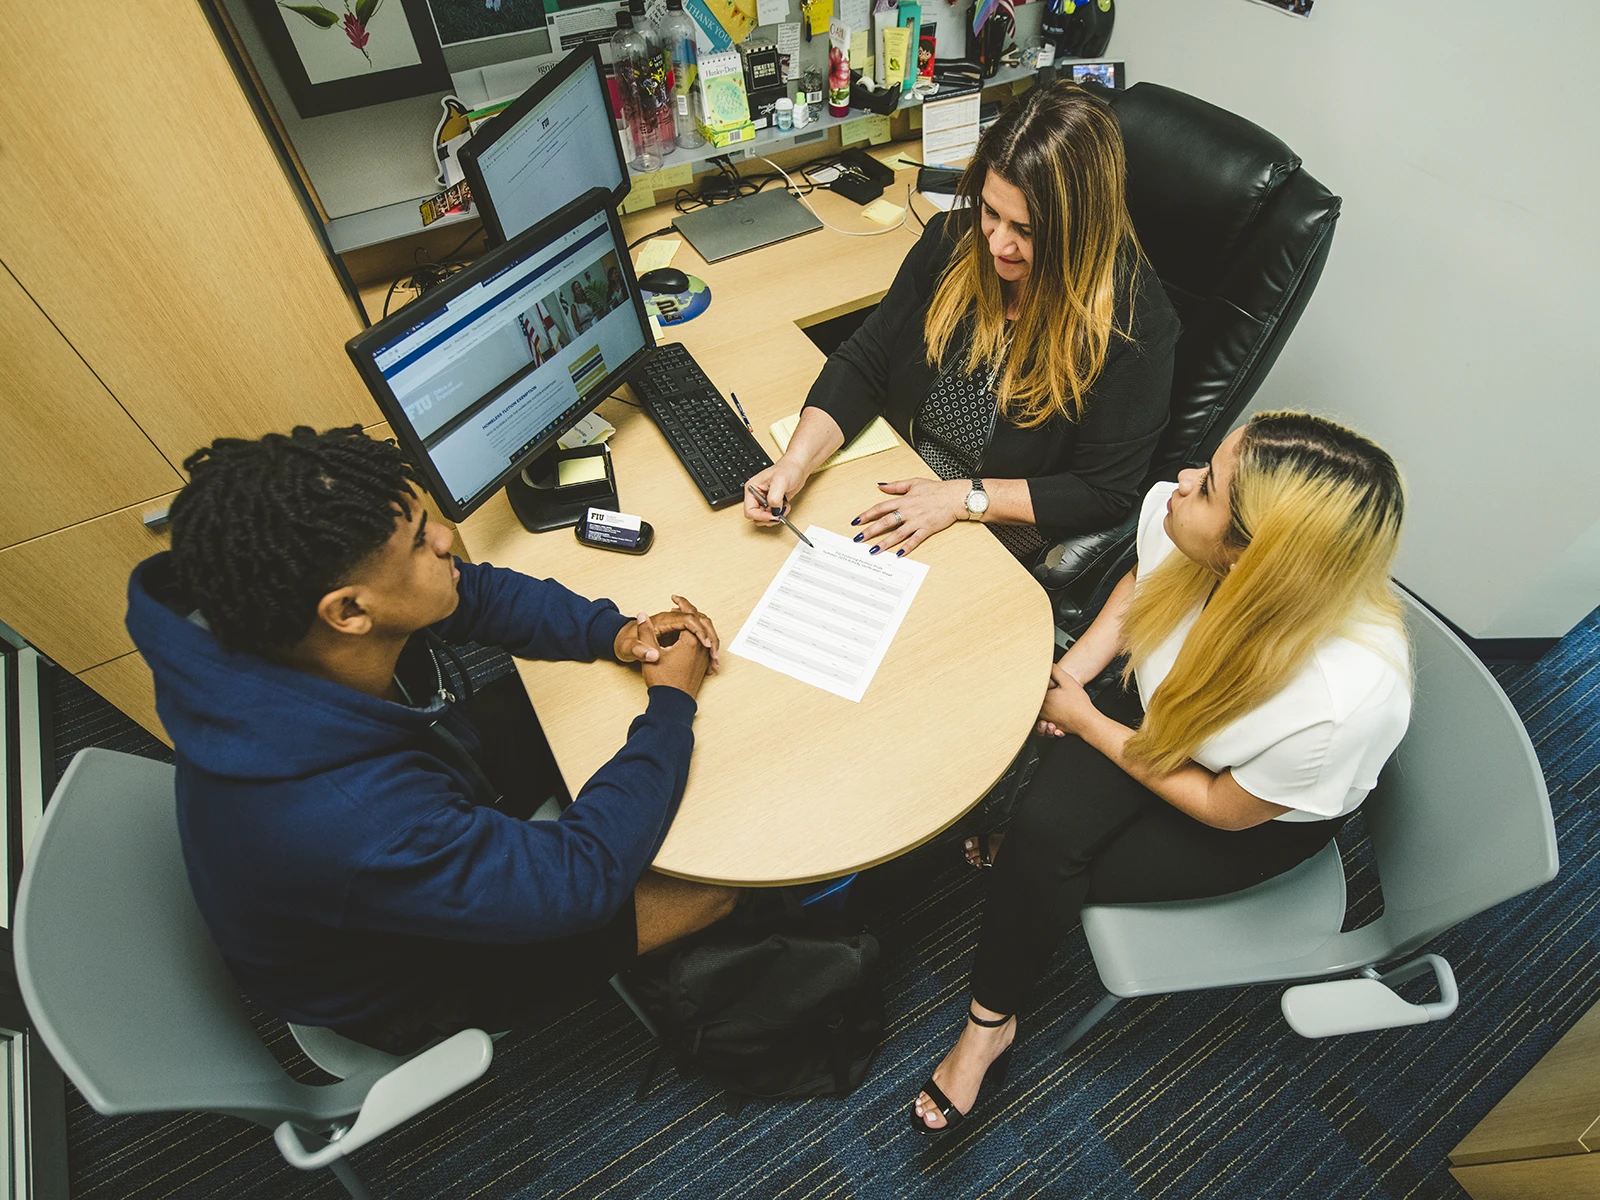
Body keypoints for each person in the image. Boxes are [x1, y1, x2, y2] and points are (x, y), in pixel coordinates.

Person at [126, 426, 738, 1055]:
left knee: (604, 738)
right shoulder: (353, 816)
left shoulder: (276, 611)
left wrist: (612, 632)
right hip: (408, 981)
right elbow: (575, 882)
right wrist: (671, 703)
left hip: (401, 798)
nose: (447, 538)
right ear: (349, 613)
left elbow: (471, 592)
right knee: (721, 882)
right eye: (421, 541)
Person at [911, 411, 1412, 1135]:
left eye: (1205, 486)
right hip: (1162, 710)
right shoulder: (1184, 522)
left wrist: (1085, 721)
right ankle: (994, 1016)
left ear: (1248, 560)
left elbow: (1221, 806)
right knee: (1044, 833)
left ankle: (987, 1022)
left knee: (1051, 864)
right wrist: (1076, 670)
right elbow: (1146, 577)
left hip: (1245, 814)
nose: (1180, 482)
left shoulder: (1339, 704)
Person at [744, 82, 1180, 565]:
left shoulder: (1133, 329)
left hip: (997, 525)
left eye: (1028, 231)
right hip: (901, 476)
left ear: (1081, 229)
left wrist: (961, 499)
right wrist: (795, 462)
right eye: (992, 212)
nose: (997, 246)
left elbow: (1102, 493)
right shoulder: (954, 243)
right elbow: (866, 360)